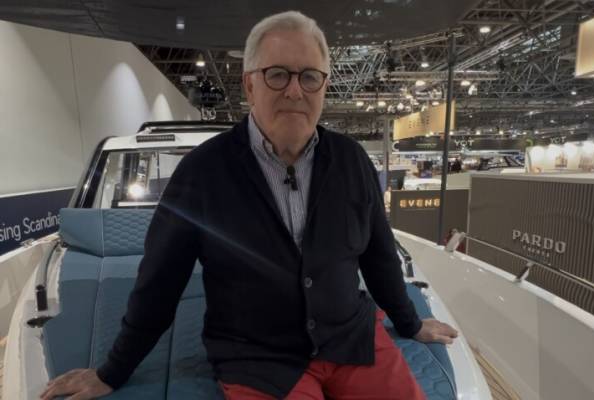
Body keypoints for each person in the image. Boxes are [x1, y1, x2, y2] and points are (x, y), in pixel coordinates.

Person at [41, 11, 458, 400]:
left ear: (324, 85)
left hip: (351, 341)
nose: (294, 90)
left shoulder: (352, 161)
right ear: (249, 85)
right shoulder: (201, 173)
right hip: (259, 359)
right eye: (277, 74)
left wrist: (410, 323)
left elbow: (380, 256)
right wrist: (112, 372)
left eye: (309, 77)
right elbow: (160, 283)